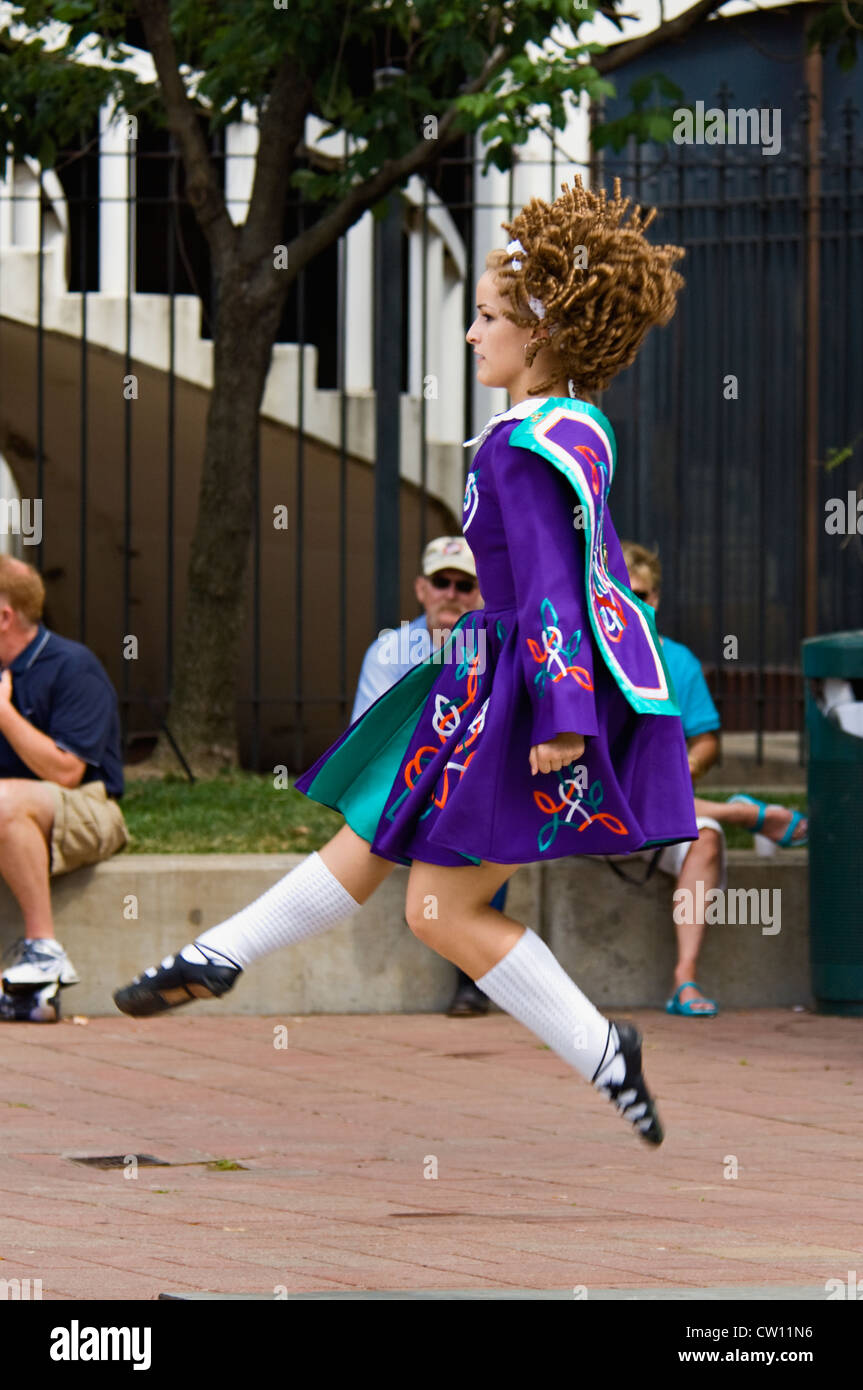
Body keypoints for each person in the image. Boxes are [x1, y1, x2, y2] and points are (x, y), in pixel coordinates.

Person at [114, 177, 699, 1148]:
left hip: (513, 686)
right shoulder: (570, 430)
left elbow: (554, 584)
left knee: (401, 860)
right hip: (495, 676)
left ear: (541, 329)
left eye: (485, 318)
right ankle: (604, 1052)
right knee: (433, 901)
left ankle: (220, 951)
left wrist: (560, 718)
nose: (471, 336)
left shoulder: (525, 442)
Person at [619, 542, 808, 1017]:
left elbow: (706, 741)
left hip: (660, 815)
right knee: (640, 795)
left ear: (656, 600)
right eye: (621, 593)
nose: (631, 603)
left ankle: (684, 980)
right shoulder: (583, 654)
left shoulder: (676, 660)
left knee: (706, 836)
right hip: (587, 816)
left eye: (640, 595)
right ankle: (743, 812)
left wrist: (684, 770)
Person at [352, 534, 501, 1016]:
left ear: (480, 592)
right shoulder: (390, 650)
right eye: (442, 582)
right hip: (401, 789)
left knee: (479, 817)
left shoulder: (495, 650)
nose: (452, 593)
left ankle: (473, 982)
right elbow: (371, 742)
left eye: (465, 584)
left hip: (466, 789)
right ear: (422, 588)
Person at [0, 557, 128, 1022]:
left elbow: (67, 771)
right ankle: (27, 995)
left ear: (4, 615)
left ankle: (44, 951)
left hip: (89, 809)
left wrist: (4, 714)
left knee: (4, 802)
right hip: (13, 811)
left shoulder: (74, 667)